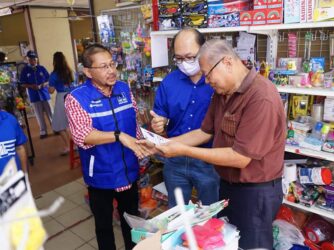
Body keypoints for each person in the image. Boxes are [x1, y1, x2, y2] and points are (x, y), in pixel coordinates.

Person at [140, 39, 286, 249]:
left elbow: (241, 157)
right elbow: (204, 132)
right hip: (228, 186)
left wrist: (183, 150)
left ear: (227, 62)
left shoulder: (261, 97)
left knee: (252, 245)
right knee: (226, 241)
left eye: (208, 74)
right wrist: (162, 144)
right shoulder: (223, 93)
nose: (207, 81)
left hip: (255, 193)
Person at [64, 44, 150, 250]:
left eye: (112, 64)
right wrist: (119, 136)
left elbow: (133, 122)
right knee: (104, 227)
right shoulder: (76, 98)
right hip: (101, 175)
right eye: (103, 67)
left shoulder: (123, 88)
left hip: (129, 170)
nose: (111, 70)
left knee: (132, 222)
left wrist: (144, 145)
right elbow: (82, 135)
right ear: (87, 71)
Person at [150, 28, 219, 208]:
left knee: (212, 213)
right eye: (179, 58)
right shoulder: (169, 82)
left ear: (203, 49)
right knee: (177, 213)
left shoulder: (217, 81)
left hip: (209, 159)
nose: (185, 63)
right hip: (175, 159)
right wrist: (159, 124)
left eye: (190, 57)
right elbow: (161, 117)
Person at [19, 50, 52, 139]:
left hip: (45, 94)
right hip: (34, 95)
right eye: (31, 59)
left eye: (34, 58)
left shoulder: (42, 68)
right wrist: (31, 86)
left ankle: (55, 128)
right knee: (38, 114)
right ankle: (43, 131)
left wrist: (42, 85)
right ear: (28, 59)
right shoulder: (25, 70)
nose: (33, 60)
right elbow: (22, 83)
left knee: (50, 113)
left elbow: (49, 80)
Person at [48, 52, 74, 156]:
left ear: (54, 61)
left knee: (58, 125)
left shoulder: (54, 74)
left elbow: (51, 91)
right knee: (70, 123)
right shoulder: (70, 71)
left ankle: (68, 146)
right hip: (72, 96)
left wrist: (48, 85)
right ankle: (75, 145)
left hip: (61, 98)